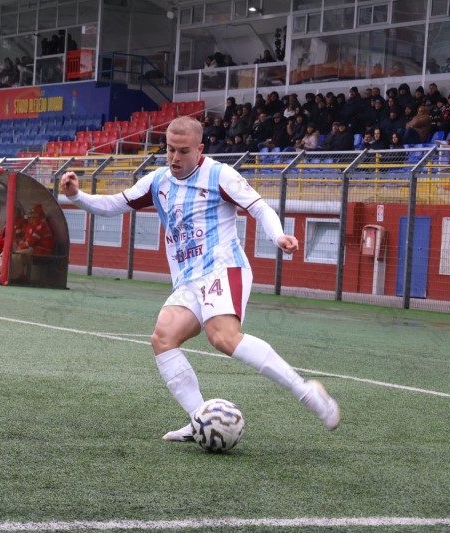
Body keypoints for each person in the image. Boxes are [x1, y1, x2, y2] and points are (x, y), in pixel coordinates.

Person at [60, 115, 340, 443]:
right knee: (163, 339)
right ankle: (200, 420)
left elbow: (260, 208)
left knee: (222, 337)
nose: (175, 157)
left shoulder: (221, 175)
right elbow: (114, 204)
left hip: (224, 268)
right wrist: (77, 195)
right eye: (170, 149)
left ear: (200, 149)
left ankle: (307, 392)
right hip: (188, 280)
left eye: (183, 151)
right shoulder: (158, 181)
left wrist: (278, 236)